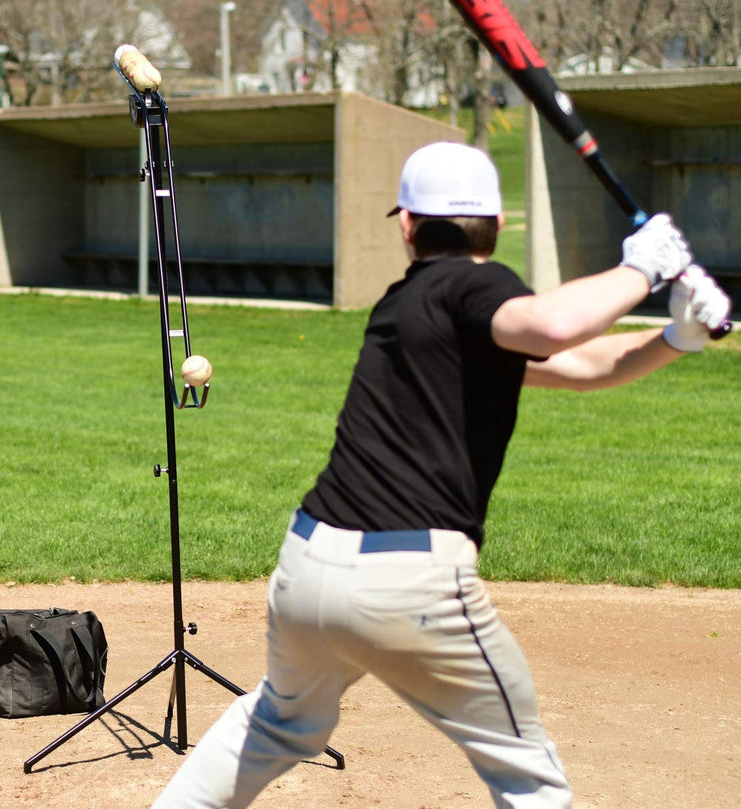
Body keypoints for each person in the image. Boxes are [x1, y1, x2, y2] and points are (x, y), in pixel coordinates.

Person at [151, 141, 732, 809]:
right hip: (411, 582)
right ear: (498, 225)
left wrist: (676, 339)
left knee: (277, 720)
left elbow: (579, 366)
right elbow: (550, 326)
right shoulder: (473, 284)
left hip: (308, 566)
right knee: (529, 775)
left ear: (408, 224)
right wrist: (643, 269)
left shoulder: (412, 307)